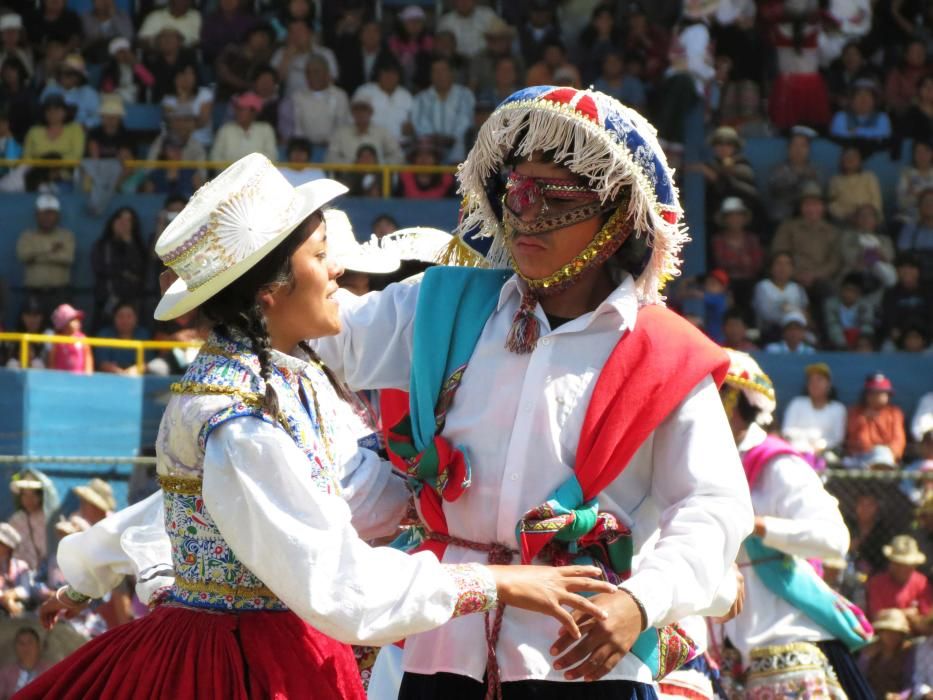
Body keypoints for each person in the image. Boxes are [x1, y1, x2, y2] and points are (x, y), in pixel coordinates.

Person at [20, 154, 616, 700]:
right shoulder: (242, 421)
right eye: (320, 252)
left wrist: (445, 493)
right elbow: (336, 583)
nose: (337, 270)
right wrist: (497, 582)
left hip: (268, 641)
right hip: (242, 666)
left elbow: (330, 494)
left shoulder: (275, 378)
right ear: (271, 289)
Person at [315, 86, 753, 698]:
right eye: (515, 193)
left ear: (617, 216)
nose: (525, 215)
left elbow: (711, 509)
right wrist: (252, 270)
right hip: (441, 644)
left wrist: (640, 602)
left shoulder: (666, 355)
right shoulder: (440, 304)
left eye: (554, 197)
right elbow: (324, 332)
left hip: (579, 650)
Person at [716, 350, 873, 699]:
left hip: (786, 637)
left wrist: (756, 526)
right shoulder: (708, 465)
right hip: (733, 650)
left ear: (735, 402)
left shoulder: (778, 465)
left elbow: (834, 539)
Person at [277, 54, 349, 157]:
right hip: (306, 149)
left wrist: (330, 143)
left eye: (316, 72)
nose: (311, 76)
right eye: (308, 73)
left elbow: (341, 126)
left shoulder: (340, 96)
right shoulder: (298, 97)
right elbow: (298, 127)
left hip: (332, 148)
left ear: (327, 74)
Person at [16, 193, 75, 314]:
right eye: (43, 213)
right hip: (34, 293)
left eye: (51, 213)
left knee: (60, 331)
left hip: (60, 293)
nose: (47, 217)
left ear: (57, 216)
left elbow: (68, 258)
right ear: (37, 215)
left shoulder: (66, 236)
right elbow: (23, 256)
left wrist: (37, 255)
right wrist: (52, 251)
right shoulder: (27, 236)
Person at [90, 206, 147, 330]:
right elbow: (100, 268)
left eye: (128, 221)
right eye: (120, 219)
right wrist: (124, 272)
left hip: (132, 303)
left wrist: (128, 242)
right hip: (107, 302)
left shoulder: (138, 246)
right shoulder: (102, 246)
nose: (123, 224)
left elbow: (140, 270)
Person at [411, 57, 475, 164]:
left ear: (451, 73)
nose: (439, 75)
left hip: (460, 153)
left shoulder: (466, 95)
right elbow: (419, 125)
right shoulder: (420, 99)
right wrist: (437, 140)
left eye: (443, 71)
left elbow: (467, 122)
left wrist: (451, 138)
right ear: (431, 75)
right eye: (435, 71)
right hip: (431, 154)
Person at [865, 535, 932, 630]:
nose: (903, 569)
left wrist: (916, 620)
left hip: (915, 638)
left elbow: (926, 621)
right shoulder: (877, 583)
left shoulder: (922, 583)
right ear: (891, 563)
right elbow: (876, 617)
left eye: (908, 565)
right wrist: (905, 613)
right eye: (899, 564)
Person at [783, 363, 848, 458]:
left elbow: (838, 439)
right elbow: (786, 431)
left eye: (819, 380)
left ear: (828, 384)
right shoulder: (796, 403)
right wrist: (808, 440)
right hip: (795, 453)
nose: (814, 384)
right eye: (811, 380)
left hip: (825, 455)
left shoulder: (838, 409)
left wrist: (820, 445)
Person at [710, 196, 763, 301]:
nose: (735, 219)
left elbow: (757, 264)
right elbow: (721, 263)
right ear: (724, 219)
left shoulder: (752, 240)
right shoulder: (718, 240)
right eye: (731, 216)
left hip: (750, 284)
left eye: (738, 215)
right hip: (726, 284)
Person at [326, 95, 402, 166]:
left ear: (371, 112)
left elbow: (398, 156)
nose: (360, 113)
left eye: (364, 109)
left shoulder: (382, 132)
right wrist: (353, 164)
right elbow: (330, 157)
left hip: (377, 177)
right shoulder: (340, 133)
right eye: (357, 109)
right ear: (352, 113)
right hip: (348, 176)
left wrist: (377, 164)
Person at [846, 373, 907, 463]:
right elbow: (856, 440)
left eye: (883, 392)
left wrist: (890, 454)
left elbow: (898, 440)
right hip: (859, 458)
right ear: (866, 395)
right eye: (874, 392)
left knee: (882, 453)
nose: (879, 396)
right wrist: (864, 419)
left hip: (886, 459)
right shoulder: (855, 412)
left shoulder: (894, 413)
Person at [7, 470, 58, 575]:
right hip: (21, 572)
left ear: (41, 496)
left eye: (33, 495)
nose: (28, 499)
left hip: (48, 571)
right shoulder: (16, 520)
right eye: (25, 495)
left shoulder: (50, 519)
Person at [880, 252, 932, 350]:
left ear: (918, 271)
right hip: (900, 338)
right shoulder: (890, 294)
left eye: (911, 268)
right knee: (887, 348)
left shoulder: (928, 291)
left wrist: (923, 338)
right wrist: (899, 336)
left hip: (926, 337)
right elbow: (889, 320)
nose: (907, 271)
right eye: (903, 268)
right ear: (897, 271)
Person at [352, 59, 412, 144]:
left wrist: (410, 130)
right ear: (379, 74)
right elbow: (352, 121)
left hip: (400, 145)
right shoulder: (364, 92)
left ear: (399, 76)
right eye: (386, 73)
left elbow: (412, 127)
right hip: (369, 144)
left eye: (393, 73)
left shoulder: (406, 96)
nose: (389, 77)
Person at [858, 608, 914, 699]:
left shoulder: (906, 652)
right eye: (887, 632)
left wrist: (901, 696)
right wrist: (866, 658)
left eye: (896, 633)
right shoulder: (869, 650)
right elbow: (859, 677)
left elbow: (909, 682)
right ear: (880, 632)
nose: (891, 636)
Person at [751, 252, 809, 340]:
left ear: (792, 269)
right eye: (779, 263)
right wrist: (790, 312)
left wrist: (788, 310)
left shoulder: (797, 288)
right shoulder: (763, 286)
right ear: (771, 267)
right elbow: (765, 314)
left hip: (795, 328)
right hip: (771, 330)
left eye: (787, 264)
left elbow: (804, 313)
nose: (783, 268)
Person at [209, 91, 277, 164]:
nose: (238, 112)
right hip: (230, 174)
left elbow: (272, 156)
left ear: (254, 112)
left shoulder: (266, 130)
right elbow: (215, 156)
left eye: (242, 109)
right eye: (237, 108)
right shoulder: (226, 129)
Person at [39, 53, 100, 130]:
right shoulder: (50, 89)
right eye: (62, 72)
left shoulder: (89, 93)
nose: (64, 76)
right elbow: (41, 112)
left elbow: (98, 117)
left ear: (79, 77)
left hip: (80, 132)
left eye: (69, 74)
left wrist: (85, 125)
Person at [160, 64, 213, 149]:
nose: (187, 78)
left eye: (190, 74)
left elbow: (202, 122)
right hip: (174, 145)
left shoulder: (205, 93)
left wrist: (182, 123)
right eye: (183, 74)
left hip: (201, 142)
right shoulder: (168, 99)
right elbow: (172, 124)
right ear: (176, 78)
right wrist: (182, 96)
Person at [827, 145, 883, 224]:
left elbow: (876, 202)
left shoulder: (869, 177)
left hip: (869, 220)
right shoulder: (835, 180)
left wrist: (866, 215)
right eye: (847, 156)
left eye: (854, 156)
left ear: (860, 161)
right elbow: (832, 205)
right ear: (841, 160)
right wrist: (846, 215)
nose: (850, 159)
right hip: (845, 221)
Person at [23, 94, 85, 163]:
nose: (52, 112)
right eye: (48, 109)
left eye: (56, 109)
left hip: (67, 171)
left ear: (65, 112)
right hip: (38, 171)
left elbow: (77, 155)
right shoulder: (33, 131)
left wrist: (54, 162)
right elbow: (27, 157)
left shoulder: (75, 129)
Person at [94, 301, 151, 375]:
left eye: (129, 316)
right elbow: (102, 363)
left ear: (136, 319)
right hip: (110, 378)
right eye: (120, 316)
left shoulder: (143, 334)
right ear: (114, 318)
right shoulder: (104, 334)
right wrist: (121, 373)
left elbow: (149, 362)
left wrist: (136, 369)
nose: (125, 320)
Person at [823, 273, 876, 350]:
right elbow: (832, 325)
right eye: (847, 290)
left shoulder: (866, 305)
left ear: (858, 293)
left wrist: (859, 343)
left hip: (859, 341)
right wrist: (843, 344)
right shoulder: (831, 304)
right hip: (839, 342)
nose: (849, 294)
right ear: (841, 290)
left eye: (852, 291)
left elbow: (867, 325)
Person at [0, 628, 50, 698]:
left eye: (30, 643)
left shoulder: (49, 670)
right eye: (21, 643)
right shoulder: (5, 673)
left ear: (38, 647)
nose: (26, 648)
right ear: (15, 648)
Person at [0, 523, 35, 618]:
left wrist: (12, 595)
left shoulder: (21, 566)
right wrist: (6, 600)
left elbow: (26, 590)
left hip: (19, 608)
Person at [48, 304, 92, 375]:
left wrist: (88, 375)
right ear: (63, 323)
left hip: (79, 380)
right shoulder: (57, 339)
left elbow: (88, 358)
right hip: (60, 380)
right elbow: (51, 361)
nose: (77, 323)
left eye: (77, 320)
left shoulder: (83, 338)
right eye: (73, 320)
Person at [897, 140, 933, 223]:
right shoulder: (906, 174)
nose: (922, 155)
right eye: (918, 152)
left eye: (926, 151)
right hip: (910, 216)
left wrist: (917, 195)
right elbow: (901, 202)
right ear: (914, 154)